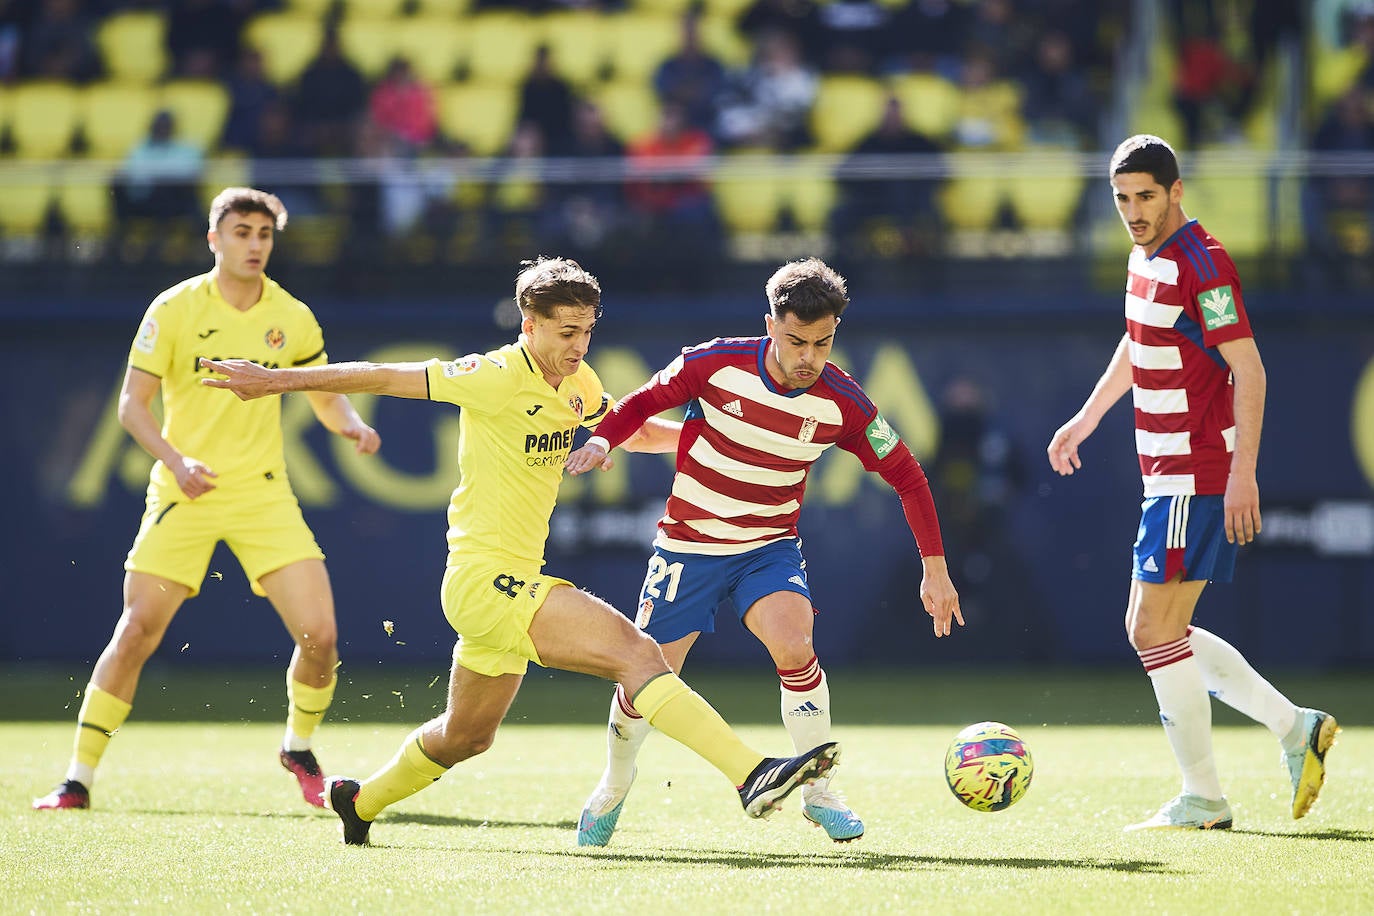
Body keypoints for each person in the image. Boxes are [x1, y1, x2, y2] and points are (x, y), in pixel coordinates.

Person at [197, 256, 841, 847]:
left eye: (587, 330)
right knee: (637, 655)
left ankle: (359, 802)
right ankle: (751, 773)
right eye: (565, 332)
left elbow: (635, 430)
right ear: (529, 325)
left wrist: (719, 435)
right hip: (484, 580)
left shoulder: (577, 379)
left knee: (466, 737)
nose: (578, 345)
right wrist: (273, 381)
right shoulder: (491, 376)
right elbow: (383, 376)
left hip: (505, 588)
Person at [566, 257, 962, 846]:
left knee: (795, 644)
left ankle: (820, 793)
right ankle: (614, 783)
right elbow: (643, 402)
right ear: (770, 325)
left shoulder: (844, 403)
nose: (809, 357)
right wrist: (602, 439)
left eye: (822, 343)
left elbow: (908, 475)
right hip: (687, 546)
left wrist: (936, 569)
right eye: (796, 341)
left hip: (767, 548)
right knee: (647, 678)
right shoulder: (713, 363)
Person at [33, 187, 382, 812]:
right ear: (213, 239)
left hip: (262, 495)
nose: (254, 244)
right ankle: (76, 779)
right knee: (136, 630)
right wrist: (175, 461)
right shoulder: (173, 308)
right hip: (183, 491)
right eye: (241, 232)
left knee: (322, 637)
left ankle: (298, 748)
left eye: (264, 234)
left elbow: (324, 394)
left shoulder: (293, 316)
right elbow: (131, 407)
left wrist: (351, 424)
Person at [1046, 135, 1339, 831]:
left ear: (1177, 191)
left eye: (1146, 196)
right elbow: (1139, 339)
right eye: (1121, 198)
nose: (1133, 211)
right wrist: (1086, 418)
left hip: (1196, 469)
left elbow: (1252, 369)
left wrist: (1243, 474)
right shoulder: (1142, 257)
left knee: (1150, 628)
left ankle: (1206, 795)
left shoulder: (1203, 267)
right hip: (1167, 471)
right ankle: (1294, 728)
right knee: (1155, 628)